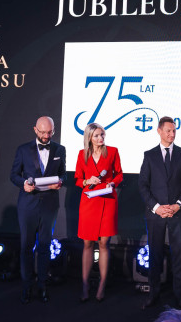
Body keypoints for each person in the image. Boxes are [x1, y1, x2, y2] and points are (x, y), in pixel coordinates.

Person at [138, 117, 181, 310]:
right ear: (159, 131)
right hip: (156, 214)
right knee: (154, 254)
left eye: (174, 130)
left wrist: (178, 205)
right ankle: (153, 294)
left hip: (178, 213)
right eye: (168, 130)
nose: (172, 134)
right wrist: (157, 207)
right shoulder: (149, 155)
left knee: (179, 256)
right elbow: (143, 185)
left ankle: (179, 296)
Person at [10, 116, 65, 304]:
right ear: (35, 130)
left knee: (44, 246)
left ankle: (42, 286)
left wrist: (60, 182)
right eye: (43, 132)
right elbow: (14, 175)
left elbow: (63, 173)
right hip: (28, 204)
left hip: (49, 204)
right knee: (26, 246)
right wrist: (23, 184)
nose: (46, 136)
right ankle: (27, 286)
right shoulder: (23, 149)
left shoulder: (60, 149)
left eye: (50, 132)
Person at [74, 123, 123, 302]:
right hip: (89, 201)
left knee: (104, 243)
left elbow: (119, 174)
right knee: (87, 243)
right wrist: (87, 181)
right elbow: (77, 179)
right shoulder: (82, 154)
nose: (100, 138)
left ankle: (102, 284)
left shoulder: (112, 151)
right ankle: (85, 284)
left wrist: (113, 183)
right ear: (89, 137)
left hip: (107, 201)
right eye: (96, 135)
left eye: (102, 134)